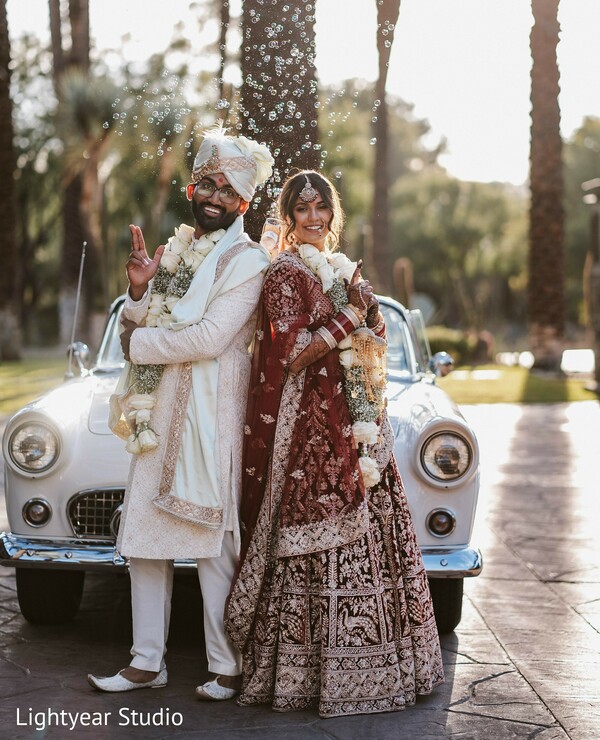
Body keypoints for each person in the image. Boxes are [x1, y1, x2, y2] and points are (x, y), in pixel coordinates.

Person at [225, 171, 444, 718]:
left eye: (322, 206)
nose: (313, 217)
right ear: (288, 215)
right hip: (308, 433)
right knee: (313, 532)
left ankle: (380, 663)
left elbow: (367, 350)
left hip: (357, 424)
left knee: (376, 528)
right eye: (302, 209)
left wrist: (368, 314)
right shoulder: (283, 273)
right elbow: (290, 354)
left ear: (334, 211)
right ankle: (307, 675)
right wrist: (349, 313)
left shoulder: (340, 268)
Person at [88, 125, 273, 700]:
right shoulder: (173, 252)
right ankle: (147, 661)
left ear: (243, 202)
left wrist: (140, 342)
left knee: (212, 541)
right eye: (206, 184)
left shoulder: (249, 260)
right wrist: (140, 294)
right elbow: (137, 326)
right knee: (144, 535)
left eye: (227, 189)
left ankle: (225, 663)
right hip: (157, 415)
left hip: (211, 415)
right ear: (192, 190)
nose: (214, 196)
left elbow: (212, 336)